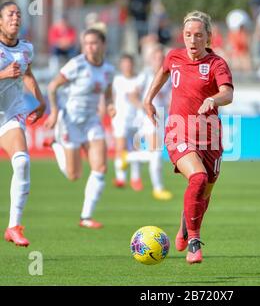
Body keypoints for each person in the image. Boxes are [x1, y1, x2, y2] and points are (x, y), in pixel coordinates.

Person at [143, 11, 234, 264]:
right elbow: (162, 73)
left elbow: (227, 94)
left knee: (204, 192)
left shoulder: (217, 64)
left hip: (210, 138)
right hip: (178, 131)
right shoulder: (174, 57)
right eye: (187, 35)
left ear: (208, 37)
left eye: (198, 35)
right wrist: (148, 99)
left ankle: (185, 227)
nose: (192, 40)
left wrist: (212, 99)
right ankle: (195, 241)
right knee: (198, 178)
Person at [44, 29, 116, 229]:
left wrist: (109, 105)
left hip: (92, 120)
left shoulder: (108, 69)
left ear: (103, 45)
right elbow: (52, 86)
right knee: (73, 175)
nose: (89, 47)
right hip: (70, 121)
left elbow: (108, 94)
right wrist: (54, 112)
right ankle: (56, 146)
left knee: (100, 168)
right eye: (86, 43)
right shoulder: (76, 64)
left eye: (93, 43)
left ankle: (86, 217)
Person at [0, 1, 46, 246]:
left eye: (18, 14)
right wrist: (3, 74)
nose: (15, 18)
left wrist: (41, 101)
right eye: (10, 14)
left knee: (22, 161)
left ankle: (13, 226)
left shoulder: (26, 48)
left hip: (9, 116)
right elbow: (11, 73)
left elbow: (27, 73)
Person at [128, 44, 173, 201]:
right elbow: (132, 95)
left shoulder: (169, 75)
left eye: (162, 58)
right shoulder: (146, 75)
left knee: (155, 152)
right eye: (157, 58)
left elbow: (170, 97)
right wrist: (142, 106)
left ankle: (127, 157)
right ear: (151, 59)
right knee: (156, 152)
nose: (159, 60)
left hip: (162, 117)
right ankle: (158, 188)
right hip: (148, 117)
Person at [111, 54, 142, 190]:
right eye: (124, 64)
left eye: (129, 63)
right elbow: (113, 97)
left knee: (135, 149)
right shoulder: (117, 80)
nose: (127, 66)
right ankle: (120, 178)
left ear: (133, 64)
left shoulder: (138, 79)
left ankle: (135, 178)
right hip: (120, 118)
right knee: (120, 147)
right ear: (121, 66)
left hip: (135, 118)